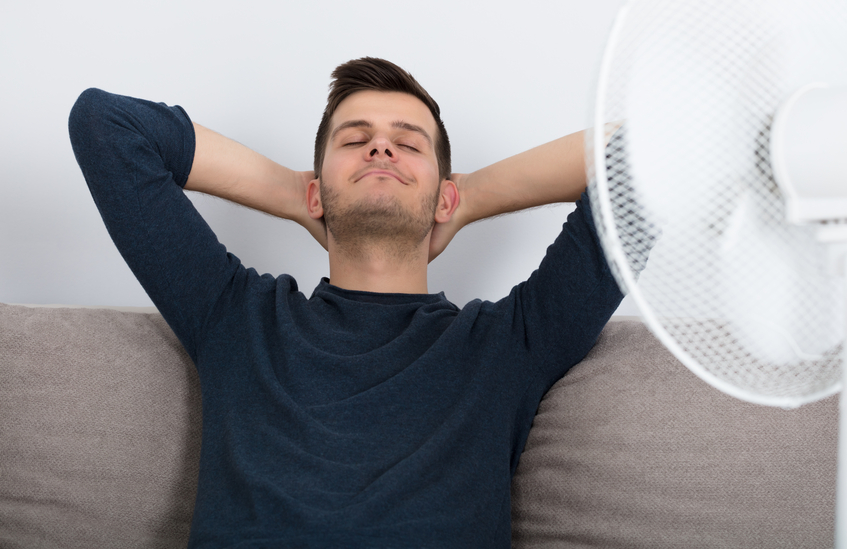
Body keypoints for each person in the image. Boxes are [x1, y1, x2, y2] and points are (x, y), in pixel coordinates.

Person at [69, 56, 624, 548]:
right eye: (355, 140)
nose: (381, 147)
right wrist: (295, 194)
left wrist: (468, 198)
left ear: (444, 196)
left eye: (408, 143)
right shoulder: (235, 316)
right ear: (316, 191)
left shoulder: (509, 345)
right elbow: (105, 124)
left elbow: (660, 154)